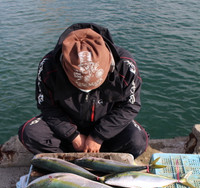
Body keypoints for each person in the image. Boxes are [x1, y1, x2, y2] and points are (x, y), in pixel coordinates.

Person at [18, 23, 149, 158]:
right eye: (80, 87)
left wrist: (98, 136)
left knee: (138, 141)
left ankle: (93, 155)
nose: (87, 91)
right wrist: (72, 135)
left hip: (107, 127)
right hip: (68, 126)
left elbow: (130, 106)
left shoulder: (126, 65)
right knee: (29, 133)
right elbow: (47, 106)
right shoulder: (47, 66)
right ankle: (71, 161)